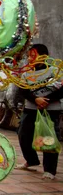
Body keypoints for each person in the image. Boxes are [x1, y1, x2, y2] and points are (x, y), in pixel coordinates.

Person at [16, 44, 62, 180]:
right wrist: (36, 99)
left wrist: (46, 100)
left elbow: (61, 89)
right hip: (30, 108)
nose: (30, 58)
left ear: (44, 56)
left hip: (50, 109)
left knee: (49, 138)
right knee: (23, 135)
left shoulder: (55, 71)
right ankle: (31, 160)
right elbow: (23, 90)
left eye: (33, 55)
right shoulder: (27, 73)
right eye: (28, 55)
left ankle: (50, 170)